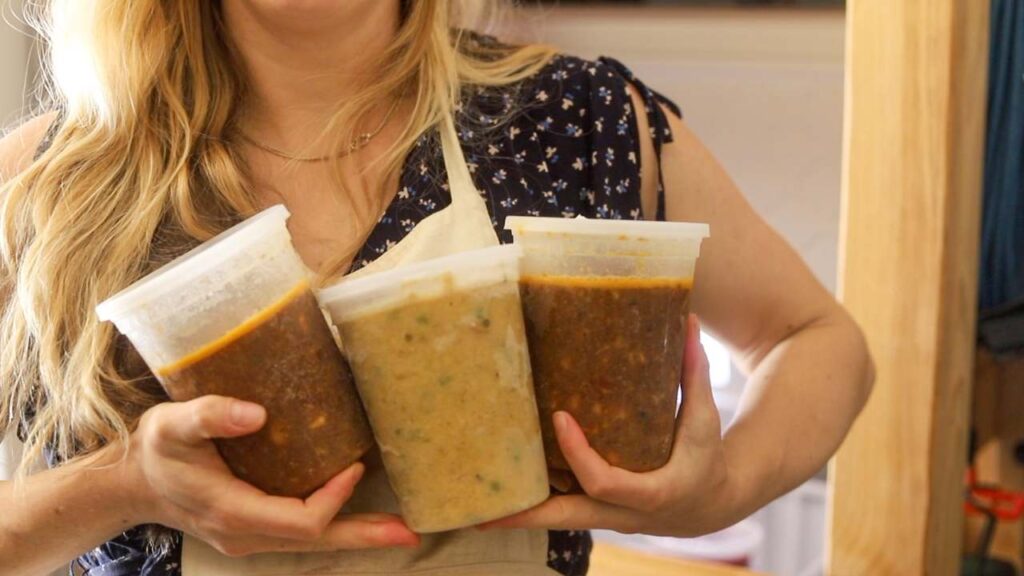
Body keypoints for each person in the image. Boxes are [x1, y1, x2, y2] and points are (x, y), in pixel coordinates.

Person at [0, 1, 874, 575]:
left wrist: (716, 490)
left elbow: (816, 340)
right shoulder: (57, 180)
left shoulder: (578, 124)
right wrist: (127, 484)